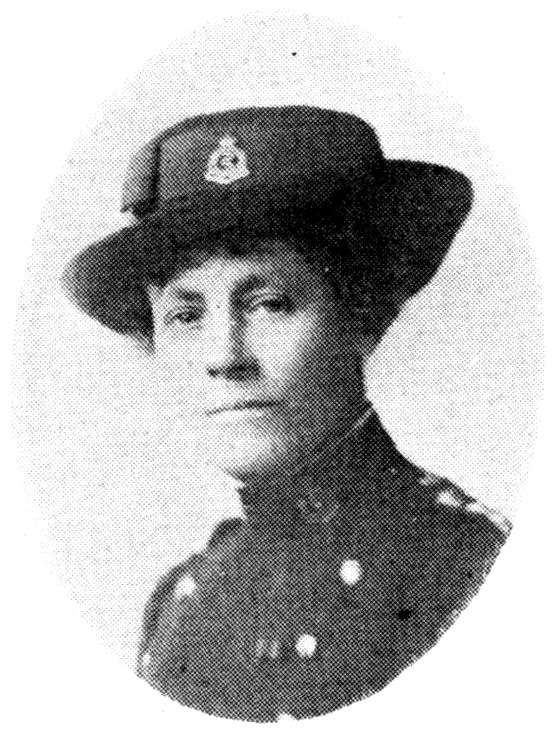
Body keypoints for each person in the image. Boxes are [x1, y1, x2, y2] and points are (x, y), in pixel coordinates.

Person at [62, 105, 511, 721]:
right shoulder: (181, 605)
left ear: (363, 317)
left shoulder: (468, 566)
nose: (224, 357)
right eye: (186, 316)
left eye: (269, 304)